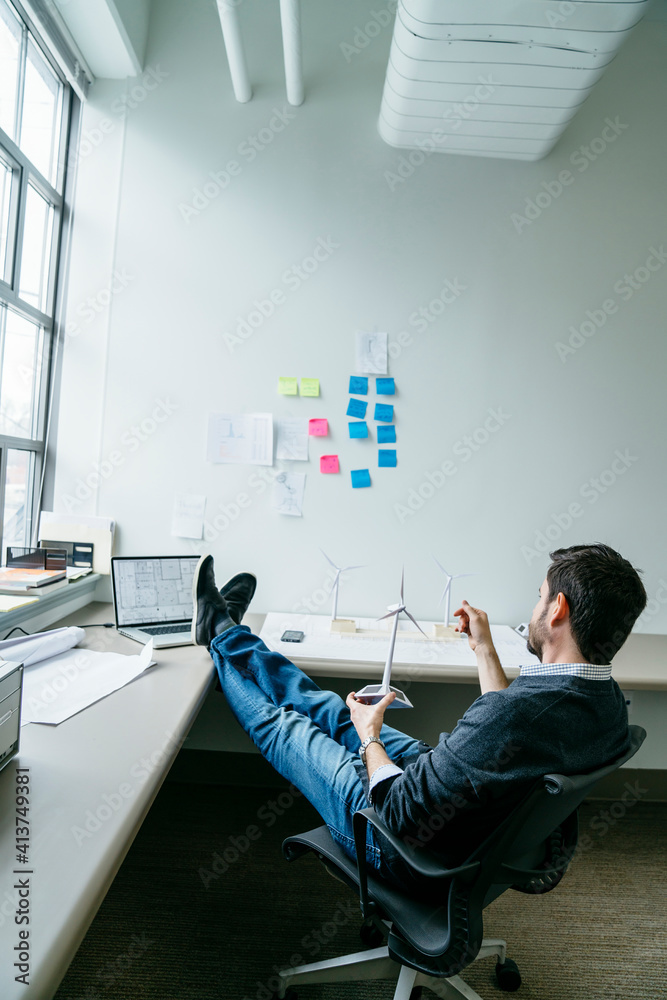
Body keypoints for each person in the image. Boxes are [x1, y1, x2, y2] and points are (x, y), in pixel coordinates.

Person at [192, 543, 646, 894]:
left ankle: (219, 633)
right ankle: (231, 634)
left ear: (559, 608)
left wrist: (370, 738)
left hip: (403, 846)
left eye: (540, 597)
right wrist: (484, 648)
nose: (535, 609)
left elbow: (400, 811)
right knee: (331, 708)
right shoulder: (605, 701)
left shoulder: (517, 714)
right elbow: (515, 732)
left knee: (287, 727)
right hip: (470, 822)